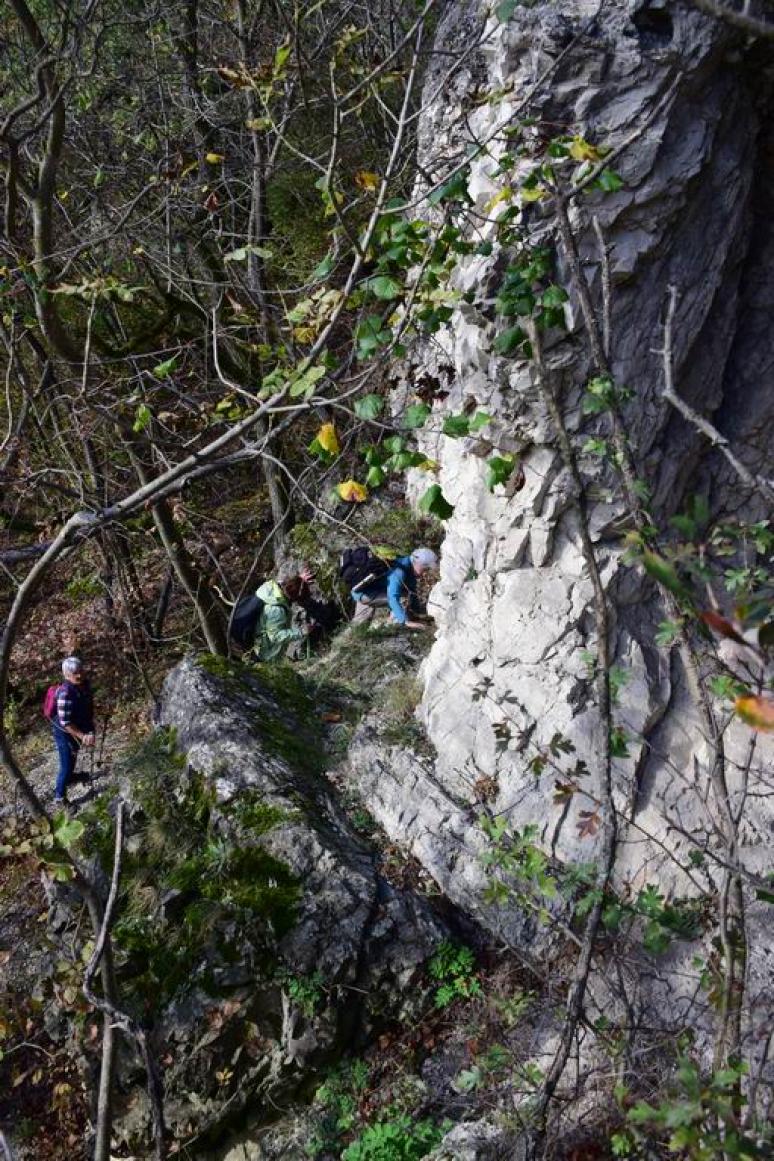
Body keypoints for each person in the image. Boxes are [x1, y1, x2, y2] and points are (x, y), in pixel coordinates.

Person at [351, 547, 438, 629]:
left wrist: (418, 612)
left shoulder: (407, 566)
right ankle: (396, 626)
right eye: (425, 569)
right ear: (419, 564)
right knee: (402, 598)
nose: (425, 573)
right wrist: (406, 622)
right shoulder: (399, 572)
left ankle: (350, 638)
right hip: (366, 593)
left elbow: (412, 592)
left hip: (367, 589)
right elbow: (393, 598)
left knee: (358, 626)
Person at [53, 657, 95, 805]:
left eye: (80, 671)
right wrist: (83, 736)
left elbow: (87, 705)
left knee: (73, 756)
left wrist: (89, 729)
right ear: (66, 675)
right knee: (66, 764)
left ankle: (71, 776)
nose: (79, 675)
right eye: (75, 673)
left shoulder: (84, 685)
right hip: (64, 733)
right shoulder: (65, 693)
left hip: (79, 726)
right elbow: (66, 723)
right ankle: (59, 797)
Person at [254, 567, 316, 662]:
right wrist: (301, 632)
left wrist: (299, 581)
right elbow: (275, 636)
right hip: (266, 655)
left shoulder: (272, 588)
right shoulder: (276, 610)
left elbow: (290, 585)